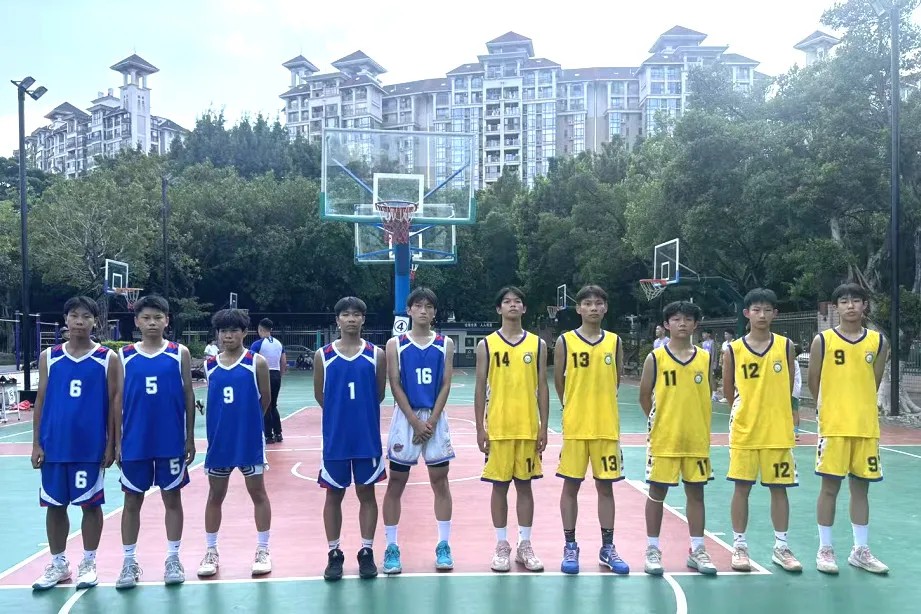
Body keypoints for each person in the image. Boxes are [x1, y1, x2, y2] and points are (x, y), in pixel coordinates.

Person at [30, 297, 119, 591]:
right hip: (54, 445)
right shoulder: (49, 356)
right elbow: (40, 400)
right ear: (65, 320)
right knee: (55, 506)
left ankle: (89, 563)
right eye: (74, 316)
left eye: (86, 316)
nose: (80, 321)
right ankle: (58, 564)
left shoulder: (107, 358)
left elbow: (114, 403)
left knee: (90, 505)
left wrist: (111, 443)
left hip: (90, 447)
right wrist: (36, 443)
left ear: (96, 321)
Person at [115, 295, 196, 589]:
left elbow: (188, 395)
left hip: (170, 440)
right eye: (146, 318)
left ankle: (173, 558)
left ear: (167, 321)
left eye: (157, 317)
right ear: (137, 321)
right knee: (131, 500)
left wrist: (189, 437)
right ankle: (128, 562)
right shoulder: (123, 355)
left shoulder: (179, 353)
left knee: (172, 498)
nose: (152, 323)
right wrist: (116, 441)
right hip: (135, 440)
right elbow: (117, 399)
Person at [808, 283, 889, 574]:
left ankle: (860, 550)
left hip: (865, 427)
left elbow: (874, 382)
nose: (851, 305)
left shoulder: (878, 342)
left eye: (856, 300)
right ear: (836, 307)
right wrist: (830, 408)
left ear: (865, 305)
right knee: (829, 488)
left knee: (861, 490)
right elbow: (813, 381)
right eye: (844, 301)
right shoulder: (823, 340)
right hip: (834, 427)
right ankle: (825, 549)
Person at [722, 288, 802, 573]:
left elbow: (789, 386)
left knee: (779, 489)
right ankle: (739, 546)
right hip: (745, 430)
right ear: (747, 313)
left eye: (767, 310)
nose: (762, 315)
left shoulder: (786, 346)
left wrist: (783, 413)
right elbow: (728, 390)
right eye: (756, 310)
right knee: (741, 488)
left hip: (777, 431)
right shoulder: (733, 349)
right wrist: (748, 411)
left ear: (775, 314)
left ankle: (781, 547)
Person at [554, 285, 629, 575]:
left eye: (598, 303)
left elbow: (616, 380)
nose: (593, 308)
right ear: (579, 308)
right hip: (576, 426)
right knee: (570, 486)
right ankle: (570, 545)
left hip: (606, 427)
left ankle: (607, 548)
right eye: (587, 303)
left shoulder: (614, 341)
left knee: (605, 487)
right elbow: (560, 382)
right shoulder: (565, 341)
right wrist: (572, 407)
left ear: (605, 308)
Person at [638, 300, 716, 576]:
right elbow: (644, 396)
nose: (682, 323)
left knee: (696, 494)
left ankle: (697, 550)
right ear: (666, 324)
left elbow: (708, 392)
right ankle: (652, 549)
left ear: (696, 324)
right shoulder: (655, 358)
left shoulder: (705, 358)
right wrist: (660, 421)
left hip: (696, 439)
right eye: (676, 319)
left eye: (688, 319)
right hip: (664, 439)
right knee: (657, 494)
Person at [475, 286, 549, 573]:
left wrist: (544, 426)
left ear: (524, 308)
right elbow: (480, 388)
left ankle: (525, 545)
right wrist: (480, 428)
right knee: (499, 487)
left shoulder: (537, 344)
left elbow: (542, 387)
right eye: (507, 301)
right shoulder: (487, 344)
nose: (513, 305)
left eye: (517, 301)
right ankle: (501, 545)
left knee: (525, 486)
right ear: (499, 309)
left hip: (528, 427)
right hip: (498, 427)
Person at [382, 288, 456, 574]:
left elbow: (446, 384)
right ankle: (391, 547)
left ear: (434, 312)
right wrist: (414, 421)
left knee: (440, 481)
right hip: (406, 418)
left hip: (434, 418)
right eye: (418, 306)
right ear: (409, 310)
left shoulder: (444, 343)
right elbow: (395, 383)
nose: (423, 310)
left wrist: (431, 421)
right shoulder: (395, 344)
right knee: (396, 483)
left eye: (429, 306)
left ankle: (444, 545)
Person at [314, 297, 387, 581]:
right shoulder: (323, 355)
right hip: (336, 438)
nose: (351, 319)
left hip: (366, 437)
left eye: (357, 314)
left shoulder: (376, 354)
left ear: (363, 319)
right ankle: (334, 552)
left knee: (367, 493)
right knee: (334, 494)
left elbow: (378, 394)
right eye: (346, 315)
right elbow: (321, 395)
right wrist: (340, 414)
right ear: (337, 320)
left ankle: (366, 551)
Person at [197, 309, 273, 578]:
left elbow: (265, 399)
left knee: (258, 493)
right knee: (215, 496)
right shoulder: (209, 365)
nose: (228, 336)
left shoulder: (256, 362)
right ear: (217, 334)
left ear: (244, 332)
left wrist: (249, 422)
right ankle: (211, 551)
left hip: (248, 441)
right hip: (220, 442)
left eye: (233, 330)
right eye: (223, 331)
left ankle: (263, 549)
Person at [251, 319, 287, 444]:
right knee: (274, 405)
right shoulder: (278, 343)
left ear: (260, 329)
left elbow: (252, 361)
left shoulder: (257, 344)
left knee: (265, 404)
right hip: (276, 374)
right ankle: (278, 433)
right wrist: (279, 375)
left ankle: (268, 435)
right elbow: (283, 362)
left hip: (264, 375)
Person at [718, 331, 734, 403]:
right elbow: (721, 354)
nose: (725, 335)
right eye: (725, 334)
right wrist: (720, 361)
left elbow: (732, 353)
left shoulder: (734, 342)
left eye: (727, 334)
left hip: (732, 363)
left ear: (731, 335)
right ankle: (725, 396)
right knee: (724, 379)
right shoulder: (724, 343)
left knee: (732, 379)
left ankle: (732, 396)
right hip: (724, 363)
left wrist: (724, 351)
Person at [792, 349, 803, 442]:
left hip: (793, 389)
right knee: (795, 411)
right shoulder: (794, 362)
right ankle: (796, 432)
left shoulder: (793, 362)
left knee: (794, 411)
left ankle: (795, 433)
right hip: (795, 389)